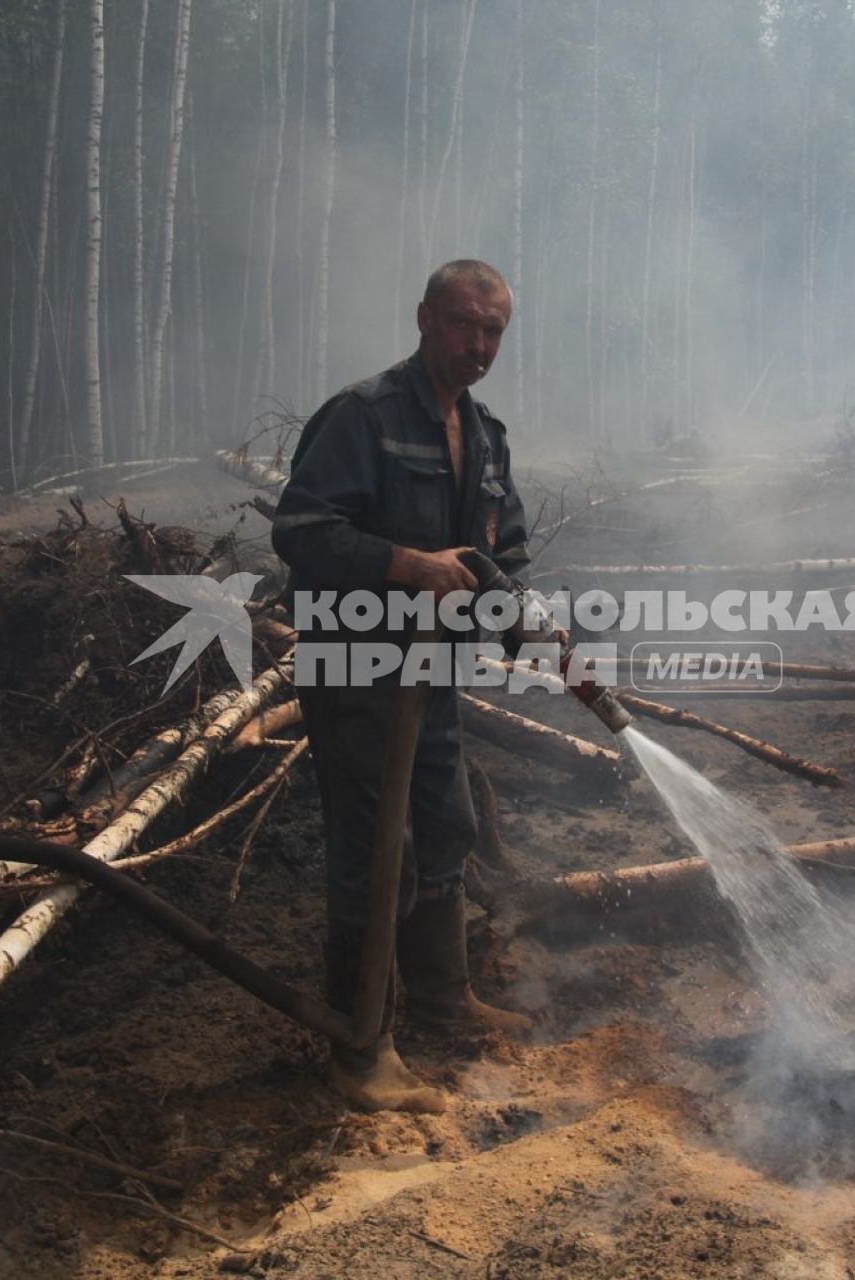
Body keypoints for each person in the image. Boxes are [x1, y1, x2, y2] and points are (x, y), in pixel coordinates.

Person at [272, 260, 533, 1113]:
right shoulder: (365, 416)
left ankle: (442, 999)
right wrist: (405, 564)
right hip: (356, 673)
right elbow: (303, 530)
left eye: (493, 330)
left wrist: (517, 607)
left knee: (446, 823)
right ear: (424, 318)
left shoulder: (486, 434)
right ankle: (361, 1048)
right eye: (464, 324)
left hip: (435, 672)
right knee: (380, 851)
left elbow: (507, 548)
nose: (479, 344)